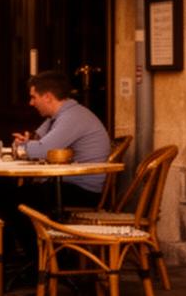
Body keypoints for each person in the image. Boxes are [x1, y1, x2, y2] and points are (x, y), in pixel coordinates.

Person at [12, 70, 112, 206]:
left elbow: (43, 150)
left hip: (83, 192)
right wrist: (27, 145)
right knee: (13, 192)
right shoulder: (58, 115)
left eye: (33, 97)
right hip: (66, 184)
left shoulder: (73, 117)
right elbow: (38, 141)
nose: (31, 103)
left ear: (47, 97)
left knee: (14, 197)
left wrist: (20, 148)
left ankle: (32, 228)